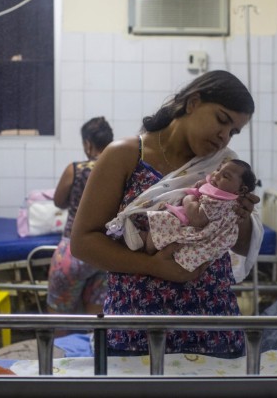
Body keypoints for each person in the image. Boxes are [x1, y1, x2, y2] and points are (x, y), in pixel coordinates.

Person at [70, 70, 264, 358]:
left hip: (212, 326)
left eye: (233, 131)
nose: (225, 136)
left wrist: (242, 216)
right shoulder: (125, 156)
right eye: (222, 120)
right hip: (137, 328)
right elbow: (83, 242)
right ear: (193, 103)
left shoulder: (227, 167)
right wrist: (155, 267)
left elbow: (238, 243)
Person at [136, 159, 258, 273]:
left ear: (241, 190)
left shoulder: (219, 201)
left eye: (225, 176)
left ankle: (143, 243)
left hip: (197, 236)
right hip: (197, 242)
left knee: (164, 223)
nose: (216, 175)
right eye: (218, 170)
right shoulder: (226, 196)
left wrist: (190, 199)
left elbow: (197, 219)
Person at [46, 116, 114, 314]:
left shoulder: (75, 169)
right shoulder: (118, 170)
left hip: (74, 250)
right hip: (105, 252)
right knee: (96, 323)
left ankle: (60, 344)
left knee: (60, 318)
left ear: (87, 143)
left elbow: (59, 201)